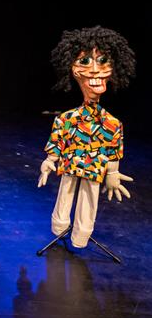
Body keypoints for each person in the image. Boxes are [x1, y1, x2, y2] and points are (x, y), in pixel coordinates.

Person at [38, 26, 135, 248]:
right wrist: (49, 161)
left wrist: (112, 173)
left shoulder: (112, 123)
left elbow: (113, 150)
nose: (94, 70)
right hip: (71, 163)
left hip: (94, 167)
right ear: (73, 69)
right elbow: (57, 141)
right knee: (66, 191)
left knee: (89, 198)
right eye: (84, 62)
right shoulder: (67, 118)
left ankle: (81, 235)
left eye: (102, 61)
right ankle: (60, 227)